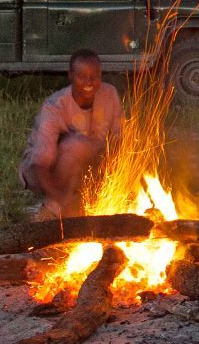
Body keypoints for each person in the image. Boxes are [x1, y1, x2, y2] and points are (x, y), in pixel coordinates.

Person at [19, 49, 122, 218]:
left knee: (113, 150)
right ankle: (53, 209)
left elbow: (120, 138)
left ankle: (84, 199)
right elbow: (40, 164)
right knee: (78, 146)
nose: (89, 82)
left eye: (94, 76)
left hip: (85, 164)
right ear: (71, 76)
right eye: (82, 76)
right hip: (44, 171)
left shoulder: (109, 94)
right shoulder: (55, 107)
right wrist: (60, 199)